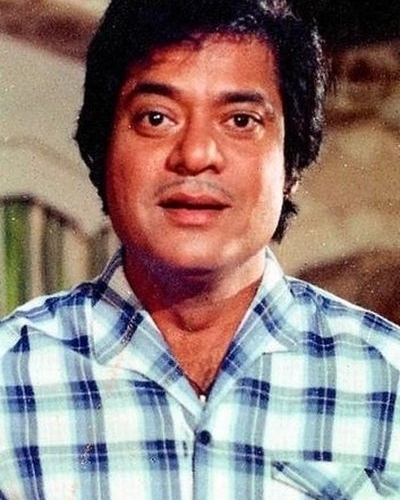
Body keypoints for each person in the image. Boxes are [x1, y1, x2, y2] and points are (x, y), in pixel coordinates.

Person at [0, 0, 399, 498]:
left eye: (241, 121)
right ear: (102, 147)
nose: (195, 154)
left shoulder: (387, 380)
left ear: (293, 162)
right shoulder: (9, 375)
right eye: (156, 117)